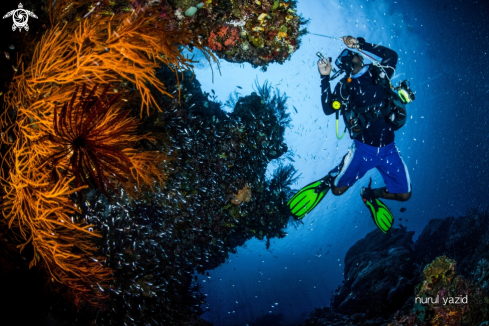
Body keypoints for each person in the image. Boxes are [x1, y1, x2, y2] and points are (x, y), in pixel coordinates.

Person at [287, 36, 412, 234]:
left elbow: (391, 56)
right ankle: (330, 179)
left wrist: (361, 44)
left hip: (389, 149)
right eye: (345, 56)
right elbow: (329, 108)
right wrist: (325, 77)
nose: (350, 55)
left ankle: (370, 195)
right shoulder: (344, 87)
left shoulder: (377, 72)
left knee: (404, 195)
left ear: (359, 57)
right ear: (344, 65)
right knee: (337, 191)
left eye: (352, 53)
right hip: (363, 149)